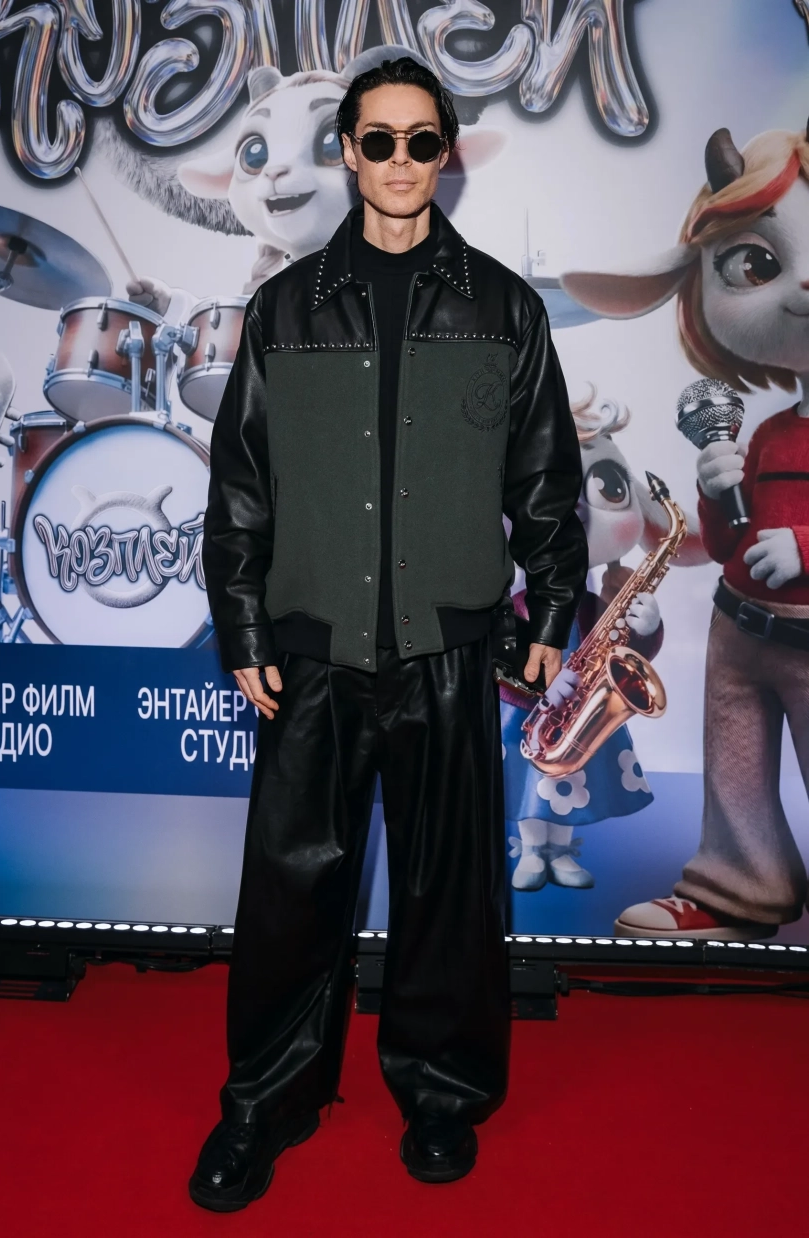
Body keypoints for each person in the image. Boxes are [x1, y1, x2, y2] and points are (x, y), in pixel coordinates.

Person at [192, 55, 587, 1213]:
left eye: (422, 140)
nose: (400, 159)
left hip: (449, 651)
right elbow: (240, 489)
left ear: (445, 154)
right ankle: (266, 1100)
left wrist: (551, 608)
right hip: (310, 651)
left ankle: (442, 1093)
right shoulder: (282, 310)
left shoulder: (504, 308)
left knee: (448, 895)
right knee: (289, 893)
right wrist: (243, 620)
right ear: (348, 152)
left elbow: (547, 482)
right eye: (378, 139)